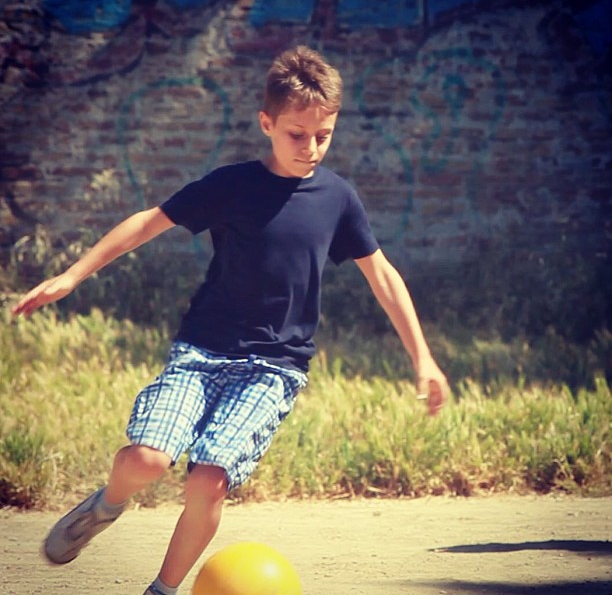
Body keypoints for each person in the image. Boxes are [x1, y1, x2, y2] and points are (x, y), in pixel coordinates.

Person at [11, 45, 449, 594]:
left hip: (274, 368)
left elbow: (382, 275)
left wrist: (422, 359)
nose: (311, 148)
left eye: (324, 135)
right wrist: (72, 275)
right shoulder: (232, 185)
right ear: (267, 123)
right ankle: (106, 505)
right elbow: (148, 222)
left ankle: (162, 590)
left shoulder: (337, 198)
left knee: (209, 481)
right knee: (147, 460)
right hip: (202, 352)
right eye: (296, 134)